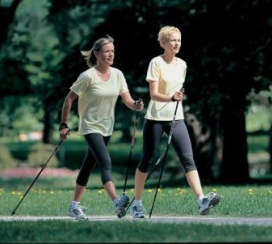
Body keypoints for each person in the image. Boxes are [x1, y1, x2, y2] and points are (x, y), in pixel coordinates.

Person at [130, 26, 220, 219]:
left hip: (176, 119)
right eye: (172, 40)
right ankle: (136, 204)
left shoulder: (182, 65)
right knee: (146, 159)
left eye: (179, 40)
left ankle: (201, 200)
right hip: (155, 119)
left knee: (188, 159)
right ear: (163, 43)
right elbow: (153, 94)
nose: (176, 43)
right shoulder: (156, 62)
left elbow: (178, 92)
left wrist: (178, 97)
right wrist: (171, 98)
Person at [59, 35, 144, 220]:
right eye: (107, 51)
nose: (111, 54)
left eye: (113, 51)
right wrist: (63, 124)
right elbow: (69, 100)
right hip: (90, 126)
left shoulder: (118, 74)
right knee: (105, 161)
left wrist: (135, 105)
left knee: (89, 164)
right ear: (97, 54)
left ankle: (74, 206)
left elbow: (127, 100)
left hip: (107, 127)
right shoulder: (87, 76)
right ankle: (116, 201)